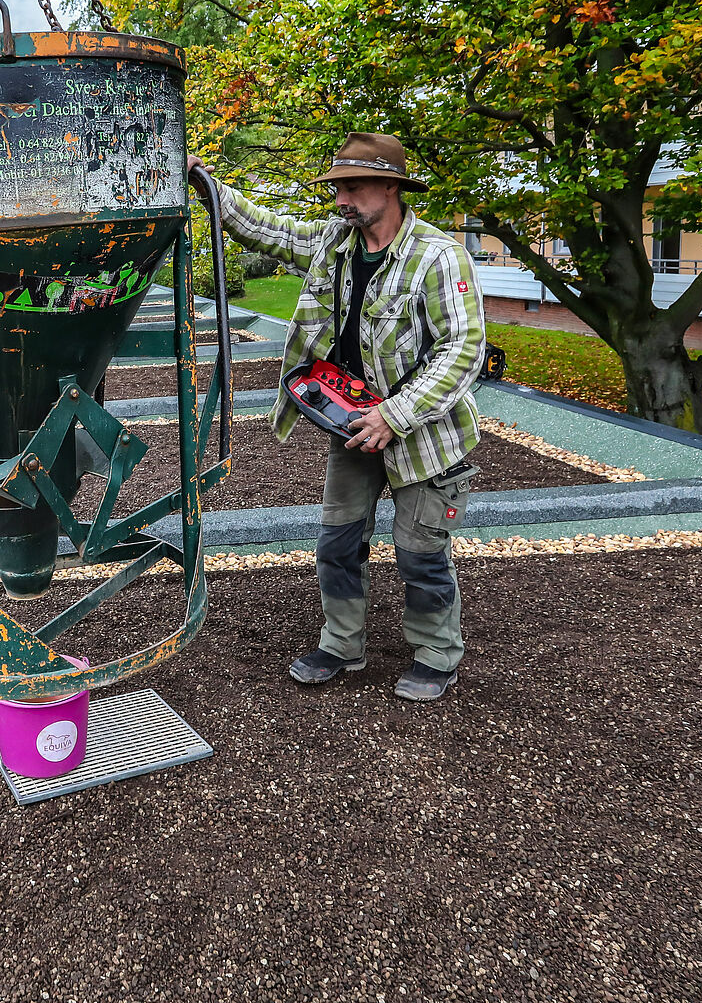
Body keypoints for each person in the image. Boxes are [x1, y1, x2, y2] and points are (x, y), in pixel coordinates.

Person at [192, 132, 486, 701]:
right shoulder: (336, 242)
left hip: (423, 434)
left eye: (352, 187)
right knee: (337, 541)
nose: (340, 199)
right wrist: (204, 183)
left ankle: (436, 654)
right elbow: (267, 228)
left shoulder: (438, 256)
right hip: (353, 425)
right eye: (337, 188)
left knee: (420, 552)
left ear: (391, 187)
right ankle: (342, 644)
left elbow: (463, 350)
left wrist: (394, 417)